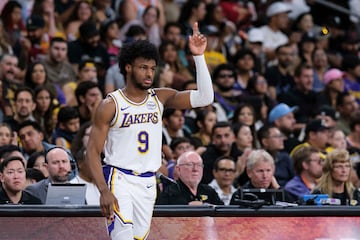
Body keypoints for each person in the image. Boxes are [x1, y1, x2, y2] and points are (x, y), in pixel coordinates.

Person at [85, 22, 214, 240]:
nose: (149, 73)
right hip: (119, 179)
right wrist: (104, 190)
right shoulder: (111, 104)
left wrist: (199, 57)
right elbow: (92, 152)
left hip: (147, 182)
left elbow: (205, 98)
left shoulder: (160, 97)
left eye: (153, 68)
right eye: (143, 67)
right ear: (128, 67)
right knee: (122, 236)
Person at [156, 151, 224, 205]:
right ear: (178, 169)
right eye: (190, 164)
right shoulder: (168, 194)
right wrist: (187, 207)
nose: (195, 169)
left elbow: (224, 215)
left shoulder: (209, 191)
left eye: (199, 165)